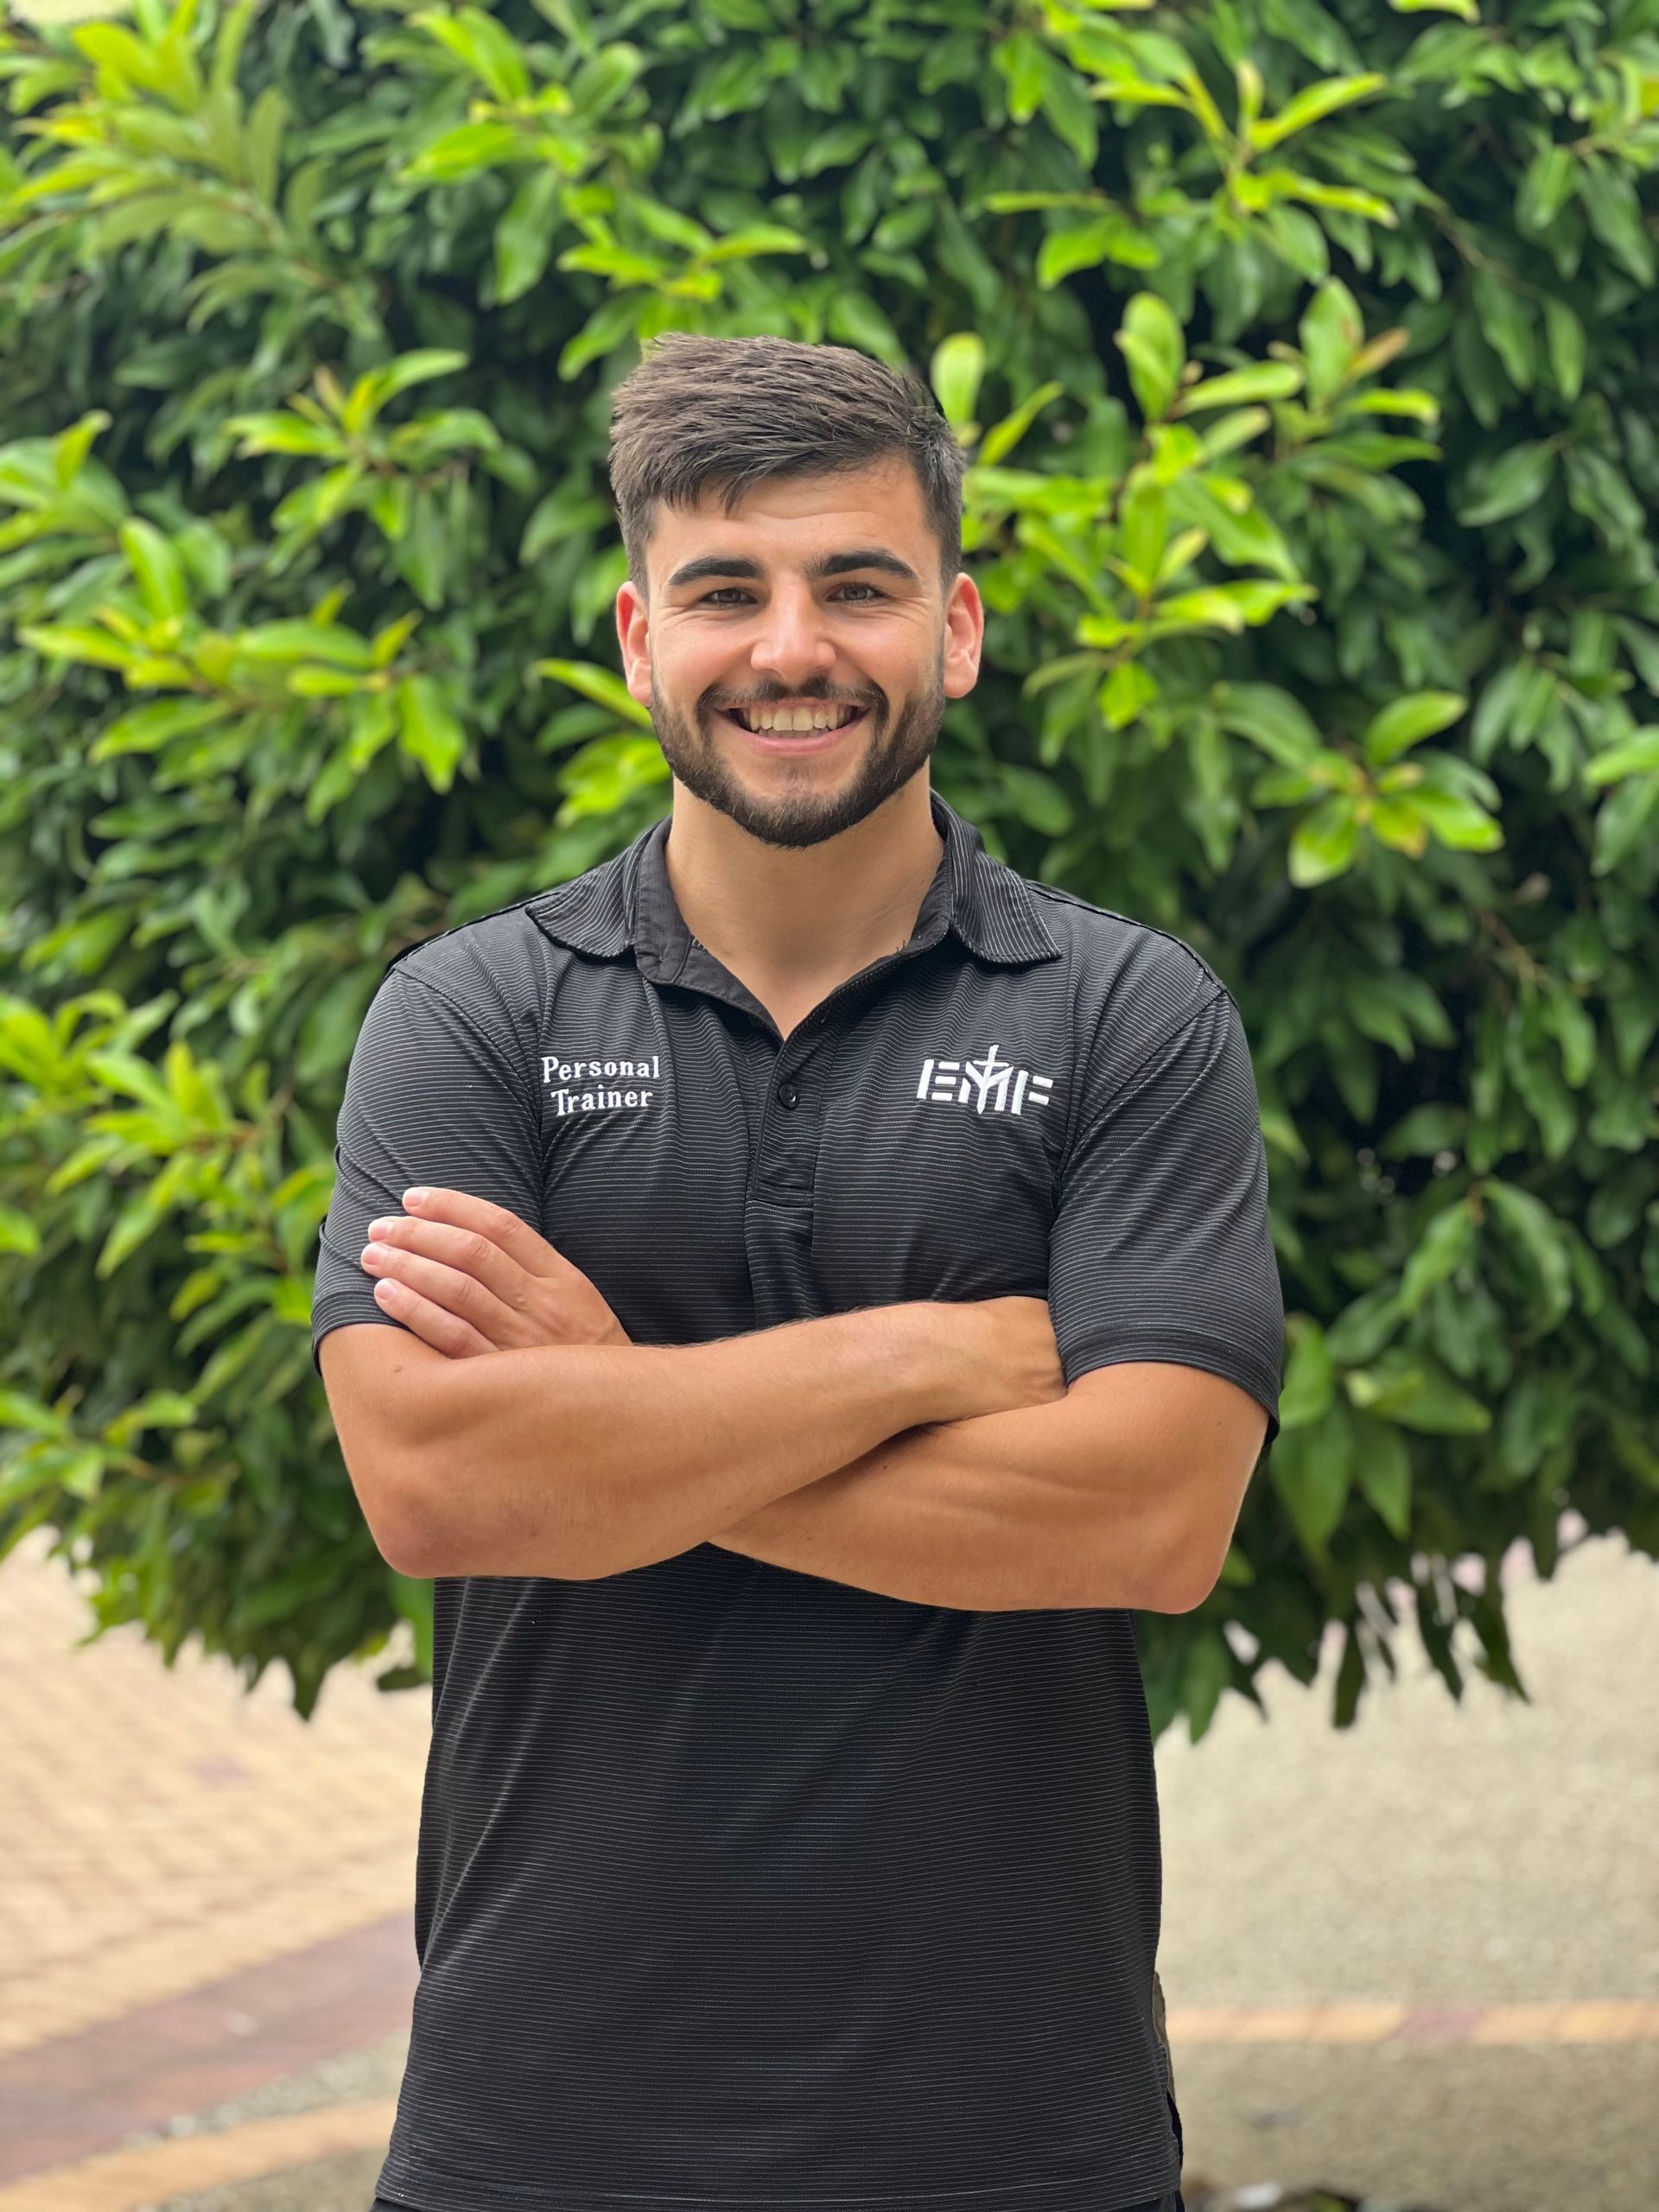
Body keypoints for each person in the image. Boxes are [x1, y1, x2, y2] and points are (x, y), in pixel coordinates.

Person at [315, 331, 1285, 2212]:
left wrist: (623, 1421)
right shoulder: (476, 1017)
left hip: (1017, 2125)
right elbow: (440, 1484)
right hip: (543, 2127)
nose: (789, 648)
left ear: (961, 626)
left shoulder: (1127, 1017)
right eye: (723, 591)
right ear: (634, 636)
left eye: (857, 584)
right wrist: (928, 1350)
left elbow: (1152, 1514)